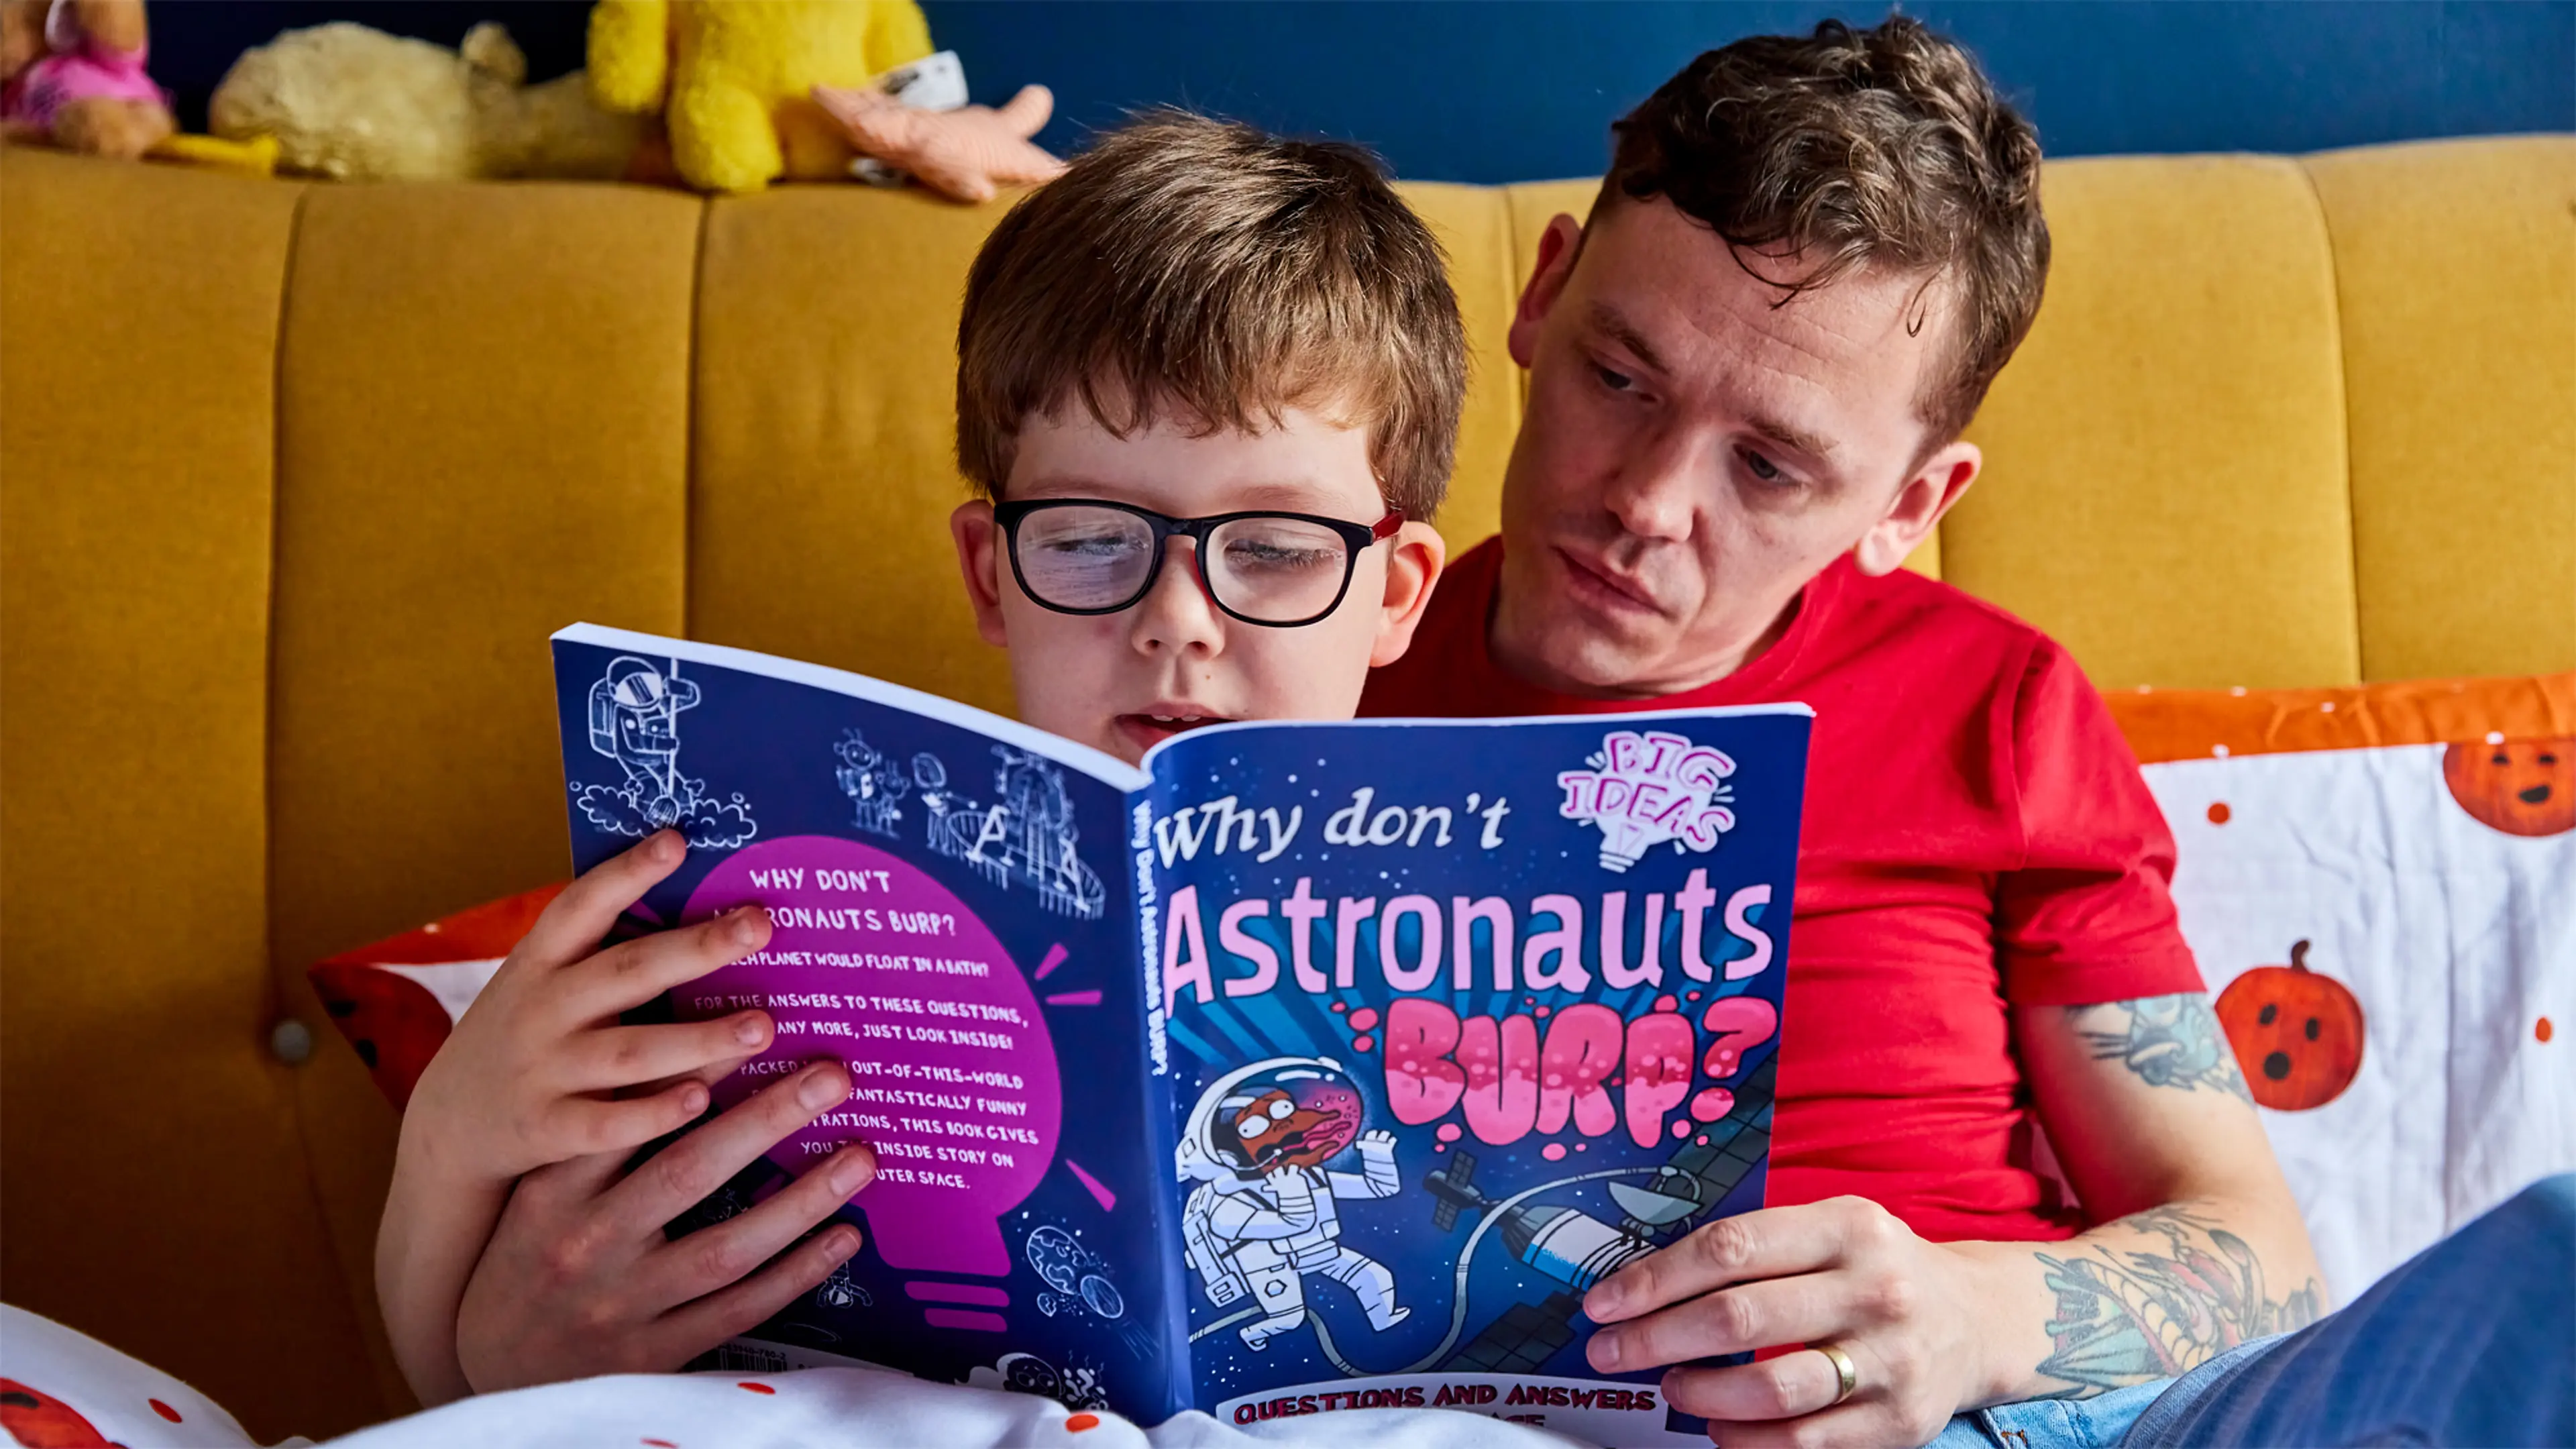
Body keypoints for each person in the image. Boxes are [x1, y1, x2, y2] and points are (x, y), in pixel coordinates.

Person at [374, 113, 1462, 1405]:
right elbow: (457, 1390)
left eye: (1276, 547)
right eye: (1088, 537)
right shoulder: (756, 914)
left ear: (1396, 594)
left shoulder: (1494, 920)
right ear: (989, 573)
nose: (1175, 617)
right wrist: (452, 1150)